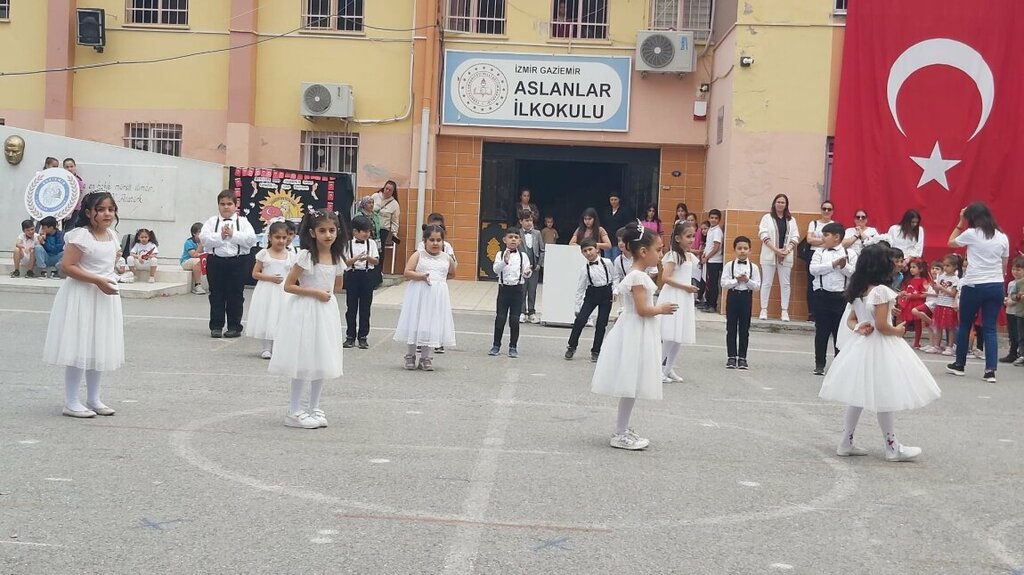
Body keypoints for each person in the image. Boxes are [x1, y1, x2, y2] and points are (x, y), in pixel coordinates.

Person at [818, 244, 941, 462]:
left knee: (858, 395)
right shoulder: (881, 291)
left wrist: (860, 327)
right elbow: (883, 326)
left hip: (862, 345)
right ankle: (892, 446)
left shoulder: (858, 290)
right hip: (881, 345)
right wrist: (899, 330)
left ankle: (846, 441)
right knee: (885, 393)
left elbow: (852, 319)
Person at [591, 223, 678, 450]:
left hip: (637, 329)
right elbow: (642, 309)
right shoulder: (637, 276)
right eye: (658, 250)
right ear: (642, 251)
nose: (660, 254)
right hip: (635, 329)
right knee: (631, 381)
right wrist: (662, 308)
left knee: (633, 382)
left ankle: (622, 427)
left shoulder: (640, 274)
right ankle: (620, 433)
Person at [42, 192, 124, 418]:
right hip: (82, 296)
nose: (107, 213)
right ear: (89, 213)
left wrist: (114, 271)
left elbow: (109, 261)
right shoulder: (80, 236)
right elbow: (67, 267)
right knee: (78, 345)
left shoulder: (112, 236)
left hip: (105, 296)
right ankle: (70, 401)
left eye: (110, 209)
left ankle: (94, 398)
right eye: (101, 209)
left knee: (99, 345)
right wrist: (97, 280)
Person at [268, 210, 347, 429]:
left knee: (321, 357)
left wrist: (326, 295)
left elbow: (337, 286)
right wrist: (315, 293)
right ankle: (294, 410)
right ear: (312, 232)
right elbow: (289, 285)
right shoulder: (305, 256)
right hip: (305, 310)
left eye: (332, 230)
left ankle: (315, 407)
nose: (328, 235)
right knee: (303, 359)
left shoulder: (337, 257)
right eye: (322, 230)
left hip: (325, 311)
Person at [946, 202, 1010, 383]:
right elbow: (1004, 265)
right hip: (995, 284)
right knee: (990, 328)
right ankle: (990, 370)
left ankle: (959, 364)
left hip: (974, 284)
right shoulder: (1002, 237)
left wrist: (960, 222)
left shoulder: (971, 234)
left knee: (965, 324)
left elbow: (950, 242)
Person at [394, 224, 457, 371]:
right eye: (432, 240)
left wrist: (439, 282)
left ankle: (426, 357)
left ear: (443, 242)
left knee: (431, 324)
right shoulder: (418, 255)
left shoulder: (447, 258)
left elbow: (452, 273)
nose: (435, 243)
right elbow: (407, 272)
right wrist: (421, 276)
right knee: (415, 323)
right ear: (425, 241)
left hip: (436, 296)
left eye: (438, 240)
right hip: (419, 294)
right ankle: (410, 355)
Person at [200, 189, 258, 338]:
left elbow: (251, 240)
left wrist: (233, 235)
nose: (226, 207)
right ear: (218, 205)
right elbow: (204, 239)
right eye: (222, 204)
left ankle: (234, 326)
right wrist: (220, 236)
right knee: (217, 294)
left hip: (238, 261)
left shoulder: (243, 222)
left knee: (235, 295)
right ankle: (216, 326)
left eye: (229, 204)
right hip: (216, 261)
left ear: (235, 205)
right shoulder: (212, 222)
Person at [809, 223, 856, 375]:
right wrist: (832, 264)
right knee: (821, 331)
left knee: (840, 332)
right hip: (822, 295)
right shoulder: (819, 252)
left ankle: (838, 364)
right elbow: (813, 269)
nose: (823, 238)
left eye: (826, 235)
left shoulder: (850, 253)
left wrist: (843, 266)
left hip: (841, 297)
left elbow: (854, 274)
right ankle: (819, 363)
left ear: (836, 237)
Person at [245, 221, 294, 360]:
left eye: (284, 238)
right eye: (277, 237)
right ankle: (266, 348)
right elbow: (255, 273)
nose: (281, 241)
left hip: (283, 291)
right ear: (270, 238)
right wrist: (269, 278)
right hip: (267, 290)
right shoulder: (264, 253)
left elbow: (293, 274)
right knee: (268, 316)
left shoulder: (290, 255)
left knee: (281, 317)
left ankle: (279, 347)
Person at [658, 221, 699, 380]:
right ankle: (657, 368)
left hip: (684, 296)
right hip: (674, 295)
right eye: (688, 236)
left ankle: (668, 369)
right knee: (669, 335)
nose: (691, 240)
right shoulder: (674, 255)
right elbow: (665, 278)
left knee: (678, 336)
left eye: (693, 236)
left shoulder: (689, 255)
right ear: (677, 238)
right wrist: (685, 287)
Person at [565, 238, 613, 362]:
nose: (588, 253)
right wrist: (577, 306)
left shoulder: (607, 262)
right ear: (582, 253)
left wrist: (615, 291)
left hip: (606, 293)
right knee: (580, 320)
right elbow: (580, 289)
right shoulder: (584, 269)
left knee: (601, 324)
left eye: (590, 249)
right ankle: (572, 346)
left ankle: (596, 350)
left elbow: (614, 277)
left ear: (597, 249)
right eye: (585, 251)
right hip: (592, 294)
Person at [489, 228, 531, 358]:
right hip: (504, 289)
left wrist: (527, 273)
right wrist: (504, 261)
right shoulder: (500, 254)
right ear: (505, 240)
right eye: (510, 237)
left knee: (514, 320)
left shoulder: (523, 256)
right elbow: (496, 270)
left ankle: (513, 346)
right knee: (500, 318)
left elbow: (526, 272)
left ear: (519, 241)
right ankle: (496, 345)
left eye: (516, 237)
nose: (513, 239)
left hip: (517, 290)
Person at [757, 194, 800, 321]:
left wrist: (787, 250)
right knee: (766, 283)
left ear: (786, 205)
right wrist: (775, 250)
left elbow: (795, 236)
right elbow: (762, 234)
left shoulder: (791, 220)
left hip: (786, 255)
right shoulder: (767, 218)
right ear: (774, 203)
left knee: (785, 284)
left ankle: (784, 311)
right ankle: (763, 309)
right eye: (778, 202)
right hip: (769, 255)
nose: (780, 204)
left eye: (783, 202)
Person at [721, 236, 761, 370]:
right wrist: (736, 281)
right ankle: (731, 357)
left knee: (744, 328)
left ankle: (743, 357)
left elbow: (757, 286)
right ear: (734, 250)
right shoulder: (729, 265)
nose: (742, 251)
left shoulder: (753, 267)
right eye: (739, 248)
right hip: (733, 296)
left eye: (745, 248)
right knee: (731, 327)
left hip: (746, 297)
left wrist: (747, 280)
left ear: (750, 251)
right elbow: (724, 283)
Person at [343, 215, 380, 350]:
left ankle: (363, 336)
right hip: (352, 275)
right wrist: (356, 259)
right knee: (351, 308)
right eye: (363, 231)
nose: (366, 234)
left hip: (366, 276)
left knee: (365, 308)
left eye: (368, 231)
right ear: (354, 232)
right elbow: (345, 262)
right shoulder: (348, 244)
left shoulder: (372, 244)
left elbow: (376, 261)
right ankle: (350, 336)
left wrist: (368, 258)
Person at [805, 201, 835, 321]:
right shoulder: (814, 223)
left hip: (829, 254)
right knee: (812, 283)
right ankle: (812, 313)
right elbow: (809, 240)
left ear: (833, 211)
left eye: (829, 209)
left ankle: (826, 313)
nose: (826, 211)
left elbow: (835, 242)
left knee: (828, 282)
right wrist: (826, 241)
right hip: (813, 254)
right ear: (821, 210)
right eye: (824, 209)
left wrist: (818, 240)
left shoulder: (835, 225)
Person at [932, 254, 961, 357]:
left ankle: (950, 346)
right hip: (940, 303)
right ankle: (936, 345)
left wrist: (941, 288)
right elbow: (937, 291)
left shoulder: (955, 279)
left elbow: (953, 293)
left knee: (950, 327)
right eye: (944, 265)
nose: (945, 268)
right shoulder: (941, 276)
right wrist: (935, 286)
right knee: (938, 326)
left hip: (949, 305)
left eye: (948, 266)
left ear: (954, 267)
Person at [518, 210, 544, 324]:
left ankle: (532, 312)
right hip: (521, 267)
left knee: (532, 290)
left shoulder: (537, 233)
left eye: (531, 220)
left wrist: (539, 264)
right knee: (522, 290)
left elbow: (542, 250)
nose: (529, 223)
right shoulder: (517, 233)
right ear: (521, 221)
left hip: (534, 267)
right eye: (526, 220)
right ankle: (522, 312)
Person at [897, 258, 929, 348]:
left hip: (917, 304)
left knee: (918, 323)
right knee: (905, 322)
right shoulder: (908, 280)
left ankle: (916, 342)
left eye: (914, 267)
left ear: (921, 269)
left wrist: (912, 296)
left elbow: (924, 294)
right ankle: (899, 338)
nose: (911, 269)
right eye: (911, 267)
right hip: (908, 304)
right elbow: (906, 289)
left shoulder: (923, 281)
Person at [915, 261, 944, 354]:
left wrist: (929, 292)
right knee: (928, 327)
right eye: (933, 268)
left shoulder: (940, 281)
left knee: (915, 311)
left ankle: (933, 324)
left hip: (933, 303)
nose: (934, 271)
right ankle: (932, 344)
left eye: (937, 269)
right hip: (928, 302)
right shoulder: (931, 281)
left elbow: (940, 294)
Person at [701, 209, 725, 312]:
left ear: (719, 219)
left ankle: (712, 305)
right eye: (712, 218)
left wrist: (707, 257)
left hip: (715, 261)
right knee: (709, 283)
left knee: (713, 284)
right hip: (709, 260)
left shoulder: (717, 231)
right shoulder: (711, 229)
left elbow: (716, 247)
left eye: (716, 218)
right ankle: (707, 303)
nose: (713, 220)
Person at [1002, 257, 1024, 366]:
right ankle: (1012, 353)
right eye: (1014, 269)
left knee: (1018, 334)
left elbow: (1017, 298)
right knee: (1012, 334)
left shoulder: (1021, 283)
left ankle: (1019, 353)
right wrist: (1006, 300)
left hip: (1018, 312)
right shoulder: (1011, 283)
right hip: (1009, 311)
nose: (1015, 272)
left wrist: (1013, 301)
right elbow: (1010, 295)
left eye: (1018, 270)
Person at [372, 180, 401, 258]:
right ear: (383, 188)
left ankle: (379, 268)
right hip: (372, 227)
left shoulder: (395, 204)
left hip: (383, 229)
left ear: (393, 192)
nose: (387, 191)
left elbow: (395, 220)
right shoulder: (375, 196)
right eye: (386, 188)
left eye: (390, 190)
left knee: (380, 249)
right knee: (370, 247)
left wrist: (394, 233)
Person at [602, 193, 633, 261]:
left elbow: (627, 224)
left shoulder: (624, 210)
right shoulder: (606, 210)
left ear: (619, 200)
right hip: (607, 238)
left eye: (615, 199)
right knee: (607, 260)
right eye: (611, 199)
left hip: (618, 239)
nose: (613, 201)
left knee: (615, 259)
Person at [180, 222, 205, 295]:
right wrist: (200, 245)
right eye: (200, 232)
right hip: (186, 261)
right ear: (194, 233)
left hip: (198, 260)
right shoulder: (189, 242)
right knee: (198, 261)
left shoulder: (206, 241)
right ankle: (197, 286)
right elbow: (193, 255)